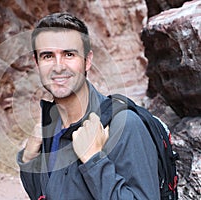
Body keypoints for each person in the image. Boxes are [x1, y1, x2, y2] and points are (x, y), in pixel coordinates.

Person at [17, 12, 160, 200]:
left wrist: (94, 162)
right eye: (48, 56)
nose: (58, 66)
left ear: (88, 60)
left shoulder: (124, 125)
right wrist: (29, 162)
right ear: (37, 63)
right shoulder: (50, 129)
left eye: (69, 54)